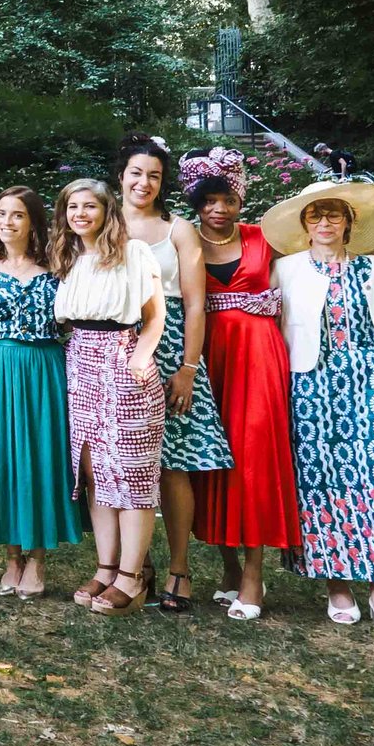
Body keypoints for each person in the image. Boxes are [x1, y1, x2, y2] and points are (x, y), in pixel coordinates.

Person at [266, 180, 374, 631]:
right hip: (312, 384)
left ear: (349, 222)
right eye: (315, 215)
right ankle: (335, 582)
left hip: (373, 380)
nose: (324, 223)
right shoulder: (287, 270)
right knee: (322, 480)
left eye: (334, 214)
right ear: (304, 224)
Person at [180, 149, 298, 621]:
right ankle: (227, 566)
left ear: (239, 200)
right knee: (208, 459)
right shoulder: (184, 243)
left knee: (253, 457)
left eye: (226, 198)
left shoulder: (264, 239)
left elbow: (314, 272)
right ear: (197, 204)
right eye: (208, 200)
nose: (218, 209)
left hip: (258, 358)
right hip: (207, 359)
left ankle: (253, 572)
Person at [115, 135, 229, 614]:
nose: (144, 182)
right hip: (112, 348)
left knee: (173, 464)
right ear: (120, 175)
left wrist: (187, 367)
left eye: (154, 175)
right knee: (117, 464)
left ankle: (179, 568)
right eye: (137, 172)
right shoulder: (101, 221)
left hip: (171, 350)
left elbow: (197, 303)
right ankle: (128, 567)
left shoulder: (178, 230)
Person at [54, 176, 166, 618]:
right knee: (95, 471)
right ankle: (105, 568)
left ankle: (132, 577)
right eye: (72, 207)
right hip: (80, 364)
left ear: (107, 212)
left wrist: (139, 360)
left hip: (124, 359)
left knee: (131, 473)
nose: (80, 214)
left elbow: (154, 317)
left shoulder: (133, 252)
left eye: (89, 207)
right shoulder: (71, 257)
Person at [0, 187, 80, 597]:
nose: (7, 222)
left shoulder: (60, 263)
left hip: (44, 366)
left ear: (33, 220)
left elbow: (74, 320)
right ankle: (12, 556)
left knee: (40, 456)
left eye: (17, 215)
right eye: (0, 214)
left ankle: (37, 558)